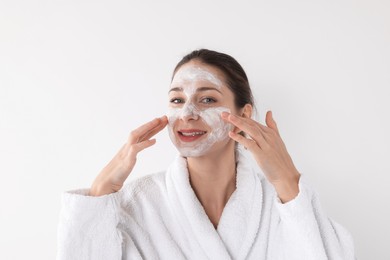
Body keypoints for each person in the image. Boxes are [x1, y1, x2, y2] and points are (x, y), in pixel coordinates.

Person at [57, 49, 355, 259]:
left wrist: (287, 179)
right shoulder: (139, 203)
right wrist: (100, 193)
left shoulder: (278, 206)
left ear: (244, 114)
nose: (187, 113)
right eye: (177, 99)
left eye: (207, 99)